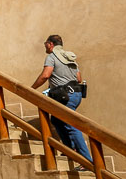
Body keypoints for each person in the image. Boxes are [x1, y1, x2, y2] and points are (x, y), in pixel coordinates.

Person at [30, 34, 93, 166]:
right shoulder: (70, 57)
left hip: (65, 96)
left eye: (45, 44)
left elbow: (45, 75)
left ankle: (87, 161)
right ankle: (69, 150)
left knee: (70, 125)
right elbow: (79, 79)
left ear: (50, 44)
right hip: (76, 94)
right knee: (57, 121)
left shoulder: (51, 57)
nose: (45, 46)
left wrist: (31, 88)